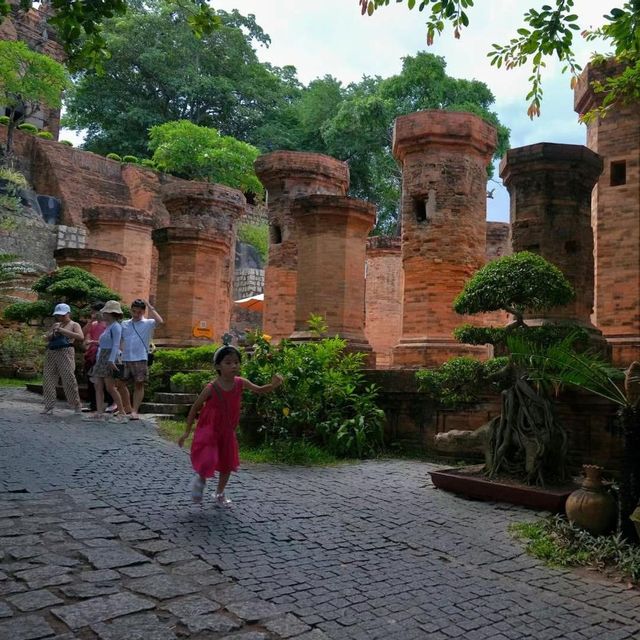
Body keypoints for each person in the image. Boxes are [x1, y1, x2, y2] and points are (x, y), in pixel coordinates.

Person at [178, 345, 283, 506]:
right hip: (210, 429)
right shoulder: (211, 388)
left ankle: (219, 492)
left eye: (236, 362)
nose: (234, 365)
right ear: (218, 366)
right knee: (208, 458)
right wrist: (186, 432)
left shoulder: (241, 383)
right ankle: (200, 480)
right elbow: (195, 408)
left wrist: (273, 385)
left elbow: (260, 390)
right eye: (228, 363)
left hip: (227, 430)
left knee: (227, 463)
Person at [82, 300, 128, 423]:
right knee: (98, 385)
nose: (103, 314)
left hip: (109, 356)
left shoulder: (116, 327)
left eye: (106, 312)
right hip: (102, 356)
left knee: (110, 387)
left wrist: (111, 360)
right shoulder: (108, 326)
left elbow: (116, 344)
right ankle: (99, 413)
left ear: (111, 313)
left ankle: (122, 413)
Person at [118, 298, 163, 420]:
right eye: (134, 311)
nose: (136, 314)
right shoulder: (124, 324)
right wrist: (120, 352)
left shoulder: (148, 323)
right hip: (126, 357)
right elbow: (121, 339)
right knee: (119, 383)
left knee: (139, 384)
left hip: (140, 357)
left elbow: (160, 321)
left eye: (139, 312)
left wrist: (150, 306)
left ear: (143, 312)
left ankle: (134, 410)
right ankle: (126, 406)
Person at [41, 303, 84, 415]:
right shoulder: (56, 324)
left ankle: (76, 404)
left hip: (65, 351)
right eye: (58, 315)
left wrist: (63, 331)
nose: (60, 317)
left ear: (68, 313)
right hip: (52, 352)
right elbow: (48, 338)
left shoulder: (74, 324)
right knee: (48, 378)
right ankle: (49, 405)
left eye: (62, 315)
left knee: (68, 378)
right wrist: (50, 335)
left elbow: (80, 337)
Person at [81, 301, 113, 413]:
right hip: (92, 354)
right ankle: (93, 404)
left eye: (94, 312)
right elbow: (83, 334)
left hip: (103, 354)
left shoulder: (109, 325)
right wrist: (90, 321)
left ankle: (110, 403)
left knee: (105, 381)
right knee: (91, 381)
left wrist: (94, 342)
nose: (93, 314)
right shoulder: (93, 324)